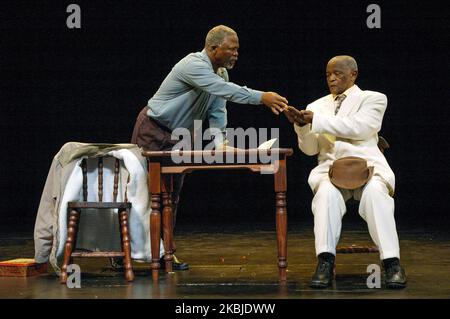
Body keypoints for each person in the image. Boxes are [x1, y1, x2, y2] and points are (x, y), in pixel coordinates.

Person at [131, 25, 289, 270]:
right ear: (214, 48)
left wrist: (222, 144)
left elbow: (217, 112)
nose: (236, 54)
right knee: (141, 193)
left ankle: (164, 252)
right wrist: (261, 97)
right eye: (231, 49)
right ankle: (125, 252)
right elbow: (223, 90)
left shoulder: (221, 74)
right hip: (152, 129)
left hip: (178, 137)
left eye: (238, 50)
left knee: (171, 196)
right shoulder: (193, 65)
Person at [284, 55, 406, 289]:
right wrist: (301, 127)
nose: (331, 78)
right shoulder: (316, 106)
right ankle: (325, 261)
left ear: (353, 75)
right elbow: (310, 150)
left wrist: (316, 121)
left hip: (368, 169)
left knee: (376, 196)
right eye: (328, 74)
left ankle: (392, 262)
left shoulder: (373, 98)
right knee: (325, 196)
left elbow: (360, 128)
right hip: (331, 171)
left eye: (338, 73)